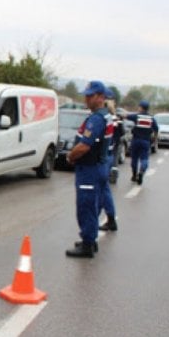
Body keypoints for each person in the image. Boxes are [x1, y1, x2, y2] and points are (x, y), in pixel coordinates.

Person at [65, 80, 110, 258]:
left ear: (101, 97)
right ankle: (89, 240)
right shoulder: (104, 115)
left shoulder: (97, 119)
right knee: (92, 204)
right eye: (86, 95)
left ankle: (88, 244)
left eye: (91, 96)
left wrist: (70, 156)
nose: (87, 99)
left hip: (89, 169)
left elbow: (84, 146)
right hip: (97, 166)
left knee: (86, 206)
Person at [124, 100, 159, 185]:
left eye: (139, 106)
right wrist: (154, 138)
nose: (138, 108)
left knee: (134, 159)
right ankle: (142, 171)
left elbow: (126, 116)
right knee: (144, 158)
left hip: (135, 140)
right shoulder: (151, 118)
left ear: (141, 108)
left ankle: (134, 175)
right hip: (146, 141)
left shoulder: (137, 116)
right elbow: (156, 129)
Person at [98, 93, 119, 232]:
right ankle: (110, 219)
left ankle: (107, 219)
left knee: (100, 191)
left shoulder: (103, 119)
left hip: (103, 158)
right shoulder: (115, 119)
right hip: (110, 155)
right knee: (103, 190)